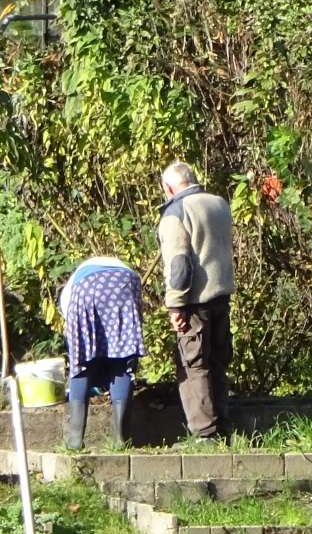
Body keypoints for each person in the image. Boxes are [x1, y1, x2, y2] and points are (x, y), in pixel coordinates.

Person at [155, 161, 234, 440]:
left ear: (168, 187)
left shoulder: (176, 212)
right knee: (218, 362)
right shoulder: (219, 204)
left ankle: (205, 435)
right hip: (222, 296)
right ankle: (223, 425)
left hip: (194, 303)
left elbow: (180, 266)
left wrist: (176, 305)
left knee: (195, 366)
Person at [59, 255, 143, 449]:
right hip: (126, 283)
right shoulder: (123, 269)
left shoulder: (67, 297)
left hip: (87, 288)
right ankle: (121, 440)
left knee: (81, 365)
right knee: (122, 361)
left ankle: (75, 441)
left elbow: (76, 342)